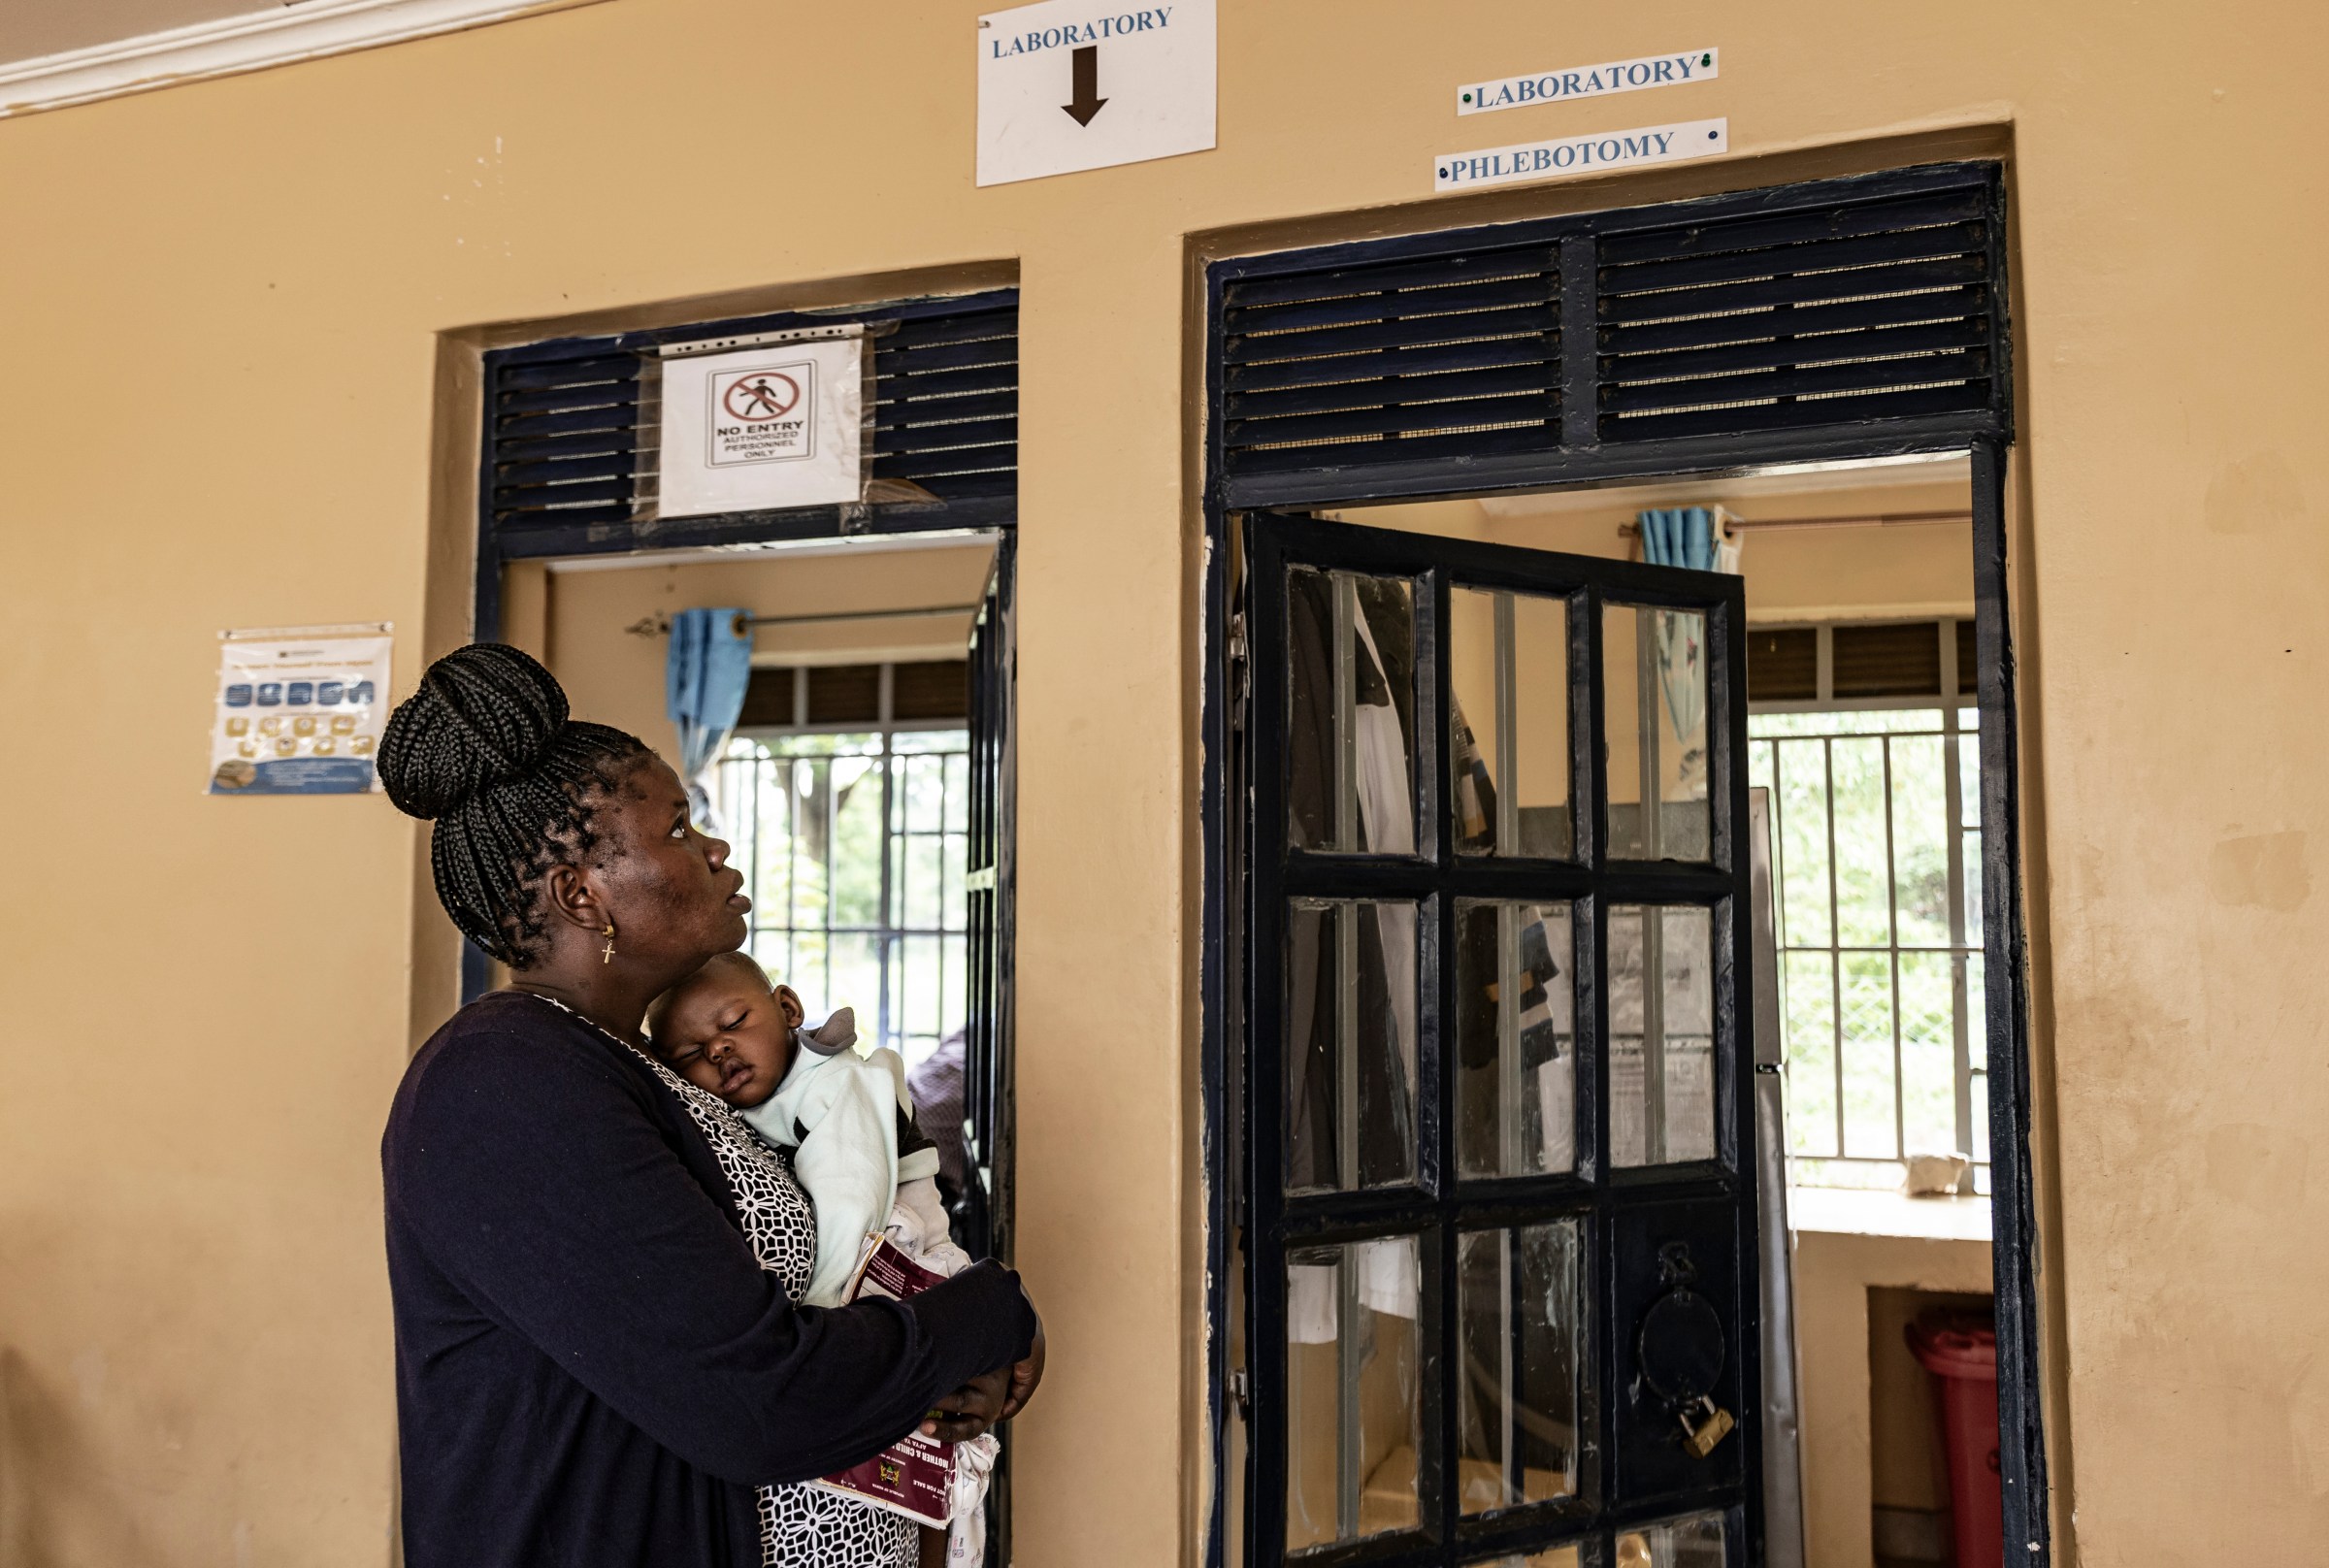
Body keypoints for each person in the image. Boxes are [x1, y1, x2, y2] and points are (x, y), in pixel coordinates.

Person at [377, 643, 1043, 1568]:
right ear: (583, 895)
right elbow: (759, 1399)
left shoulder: (637, 1067)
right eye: (681, 829)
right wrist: (985, 1315)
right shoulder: (503, 1085)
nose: (716, 849)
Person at [647, 956, 998, 1562]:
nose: (720, 1052)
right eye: (691, 1056)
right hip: (879, 1261)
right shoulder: (775, 1095)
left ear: (788, 1010)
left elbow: (849, 1197)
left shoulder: (835, 1086)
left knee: (936, 1445)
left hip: (900, 1253)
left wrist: (821, 1322)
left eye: (734, 1022)